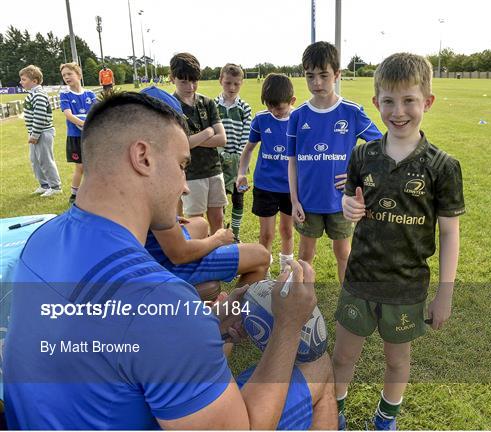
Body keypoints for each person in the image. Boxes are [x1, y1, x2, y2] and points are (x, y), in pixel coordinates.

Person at [4, 92, 336, 429]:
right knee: (318, 368)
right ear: (143, 157)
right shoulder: (158, 300)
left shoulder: (40, 241)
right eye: (181, 166)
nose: (185, 187)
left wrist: (207, 322)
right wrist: (289, 325)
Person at [332, 53, 465, 430]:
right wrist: (347, 206)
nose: (398, 111)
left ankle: (385, 418)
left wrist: (445, 293)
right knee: (343, 356)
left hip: (407, 284)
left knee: (396, 361)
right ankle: (335, 411)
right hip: (360, 278)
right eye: (389, 101)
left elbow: (449, 231)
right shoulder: (362, 154)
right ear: (376, 102)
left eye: (409, 100)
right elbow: (351, 204)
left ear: (427, 102)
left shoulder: (442, 166)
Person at [140, 86, 270, 301]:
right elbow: (178, 254)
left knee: (199, 224)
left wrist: (167, 221)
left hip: (148, 253)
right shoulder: (156, 178)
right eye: (180, 164)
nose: (185, 188)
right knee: (261, 256)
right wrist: (218, 239)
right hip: (166, 265)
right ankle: (228, 316)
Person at [286, 41, 382, 283]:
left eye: (324, 75)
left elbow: (381, 146)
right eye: (310, 76)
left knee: (343, 252)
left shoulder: (351, 111)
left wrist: (357, 175)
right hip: (307, 202)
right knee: (305, 254)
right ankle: (302, 302)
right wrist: (294, 199)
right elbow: (293, 161)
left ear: (337, 75)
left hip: (341, 201)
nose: (317, 83)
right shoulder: (297, 115)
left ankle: (347, 303)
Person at [237, 73, 296, 275]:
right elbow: (248, 150)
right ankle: (264, 272)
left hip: (291, 187)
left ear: (292, 101)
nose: (274, 111)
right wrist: (241, 174)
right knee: (266, 234)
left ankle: (286, 271)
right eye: (270, 106)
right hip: (265, 186)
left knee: (287, 231)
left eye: (279, 107)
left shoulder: (299, 119)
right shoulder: (261, 119)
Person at [170, 52, 227, 233]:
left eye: (194, 81)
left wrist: (193, 140)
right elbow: (181, 145)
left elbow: (222, 139)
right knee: (196, 224)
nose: (190, 86)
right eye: (184, 81)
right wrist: (208, 132)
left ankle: (218, 256)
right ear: (172, 78)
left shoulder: (207, 103)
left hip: (214, 169)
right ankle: (200, 258)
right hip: (191, 173)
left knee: (218, 219)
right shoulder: (171, 106)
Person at [214, 63, 252, 242]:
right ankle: (221, 233)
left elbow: (246, 137)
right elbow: (213, 132)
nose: (232, 87)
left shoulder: (244, 108)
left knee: (238, 198)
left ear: (241, 83)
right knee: (219, 200)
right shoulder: (213, 105)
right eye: (228, 83)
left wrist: (238, 156)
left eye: (236, 84)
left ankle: (235, 234)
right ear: (221, 80)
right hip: (218, 161)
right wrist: (221, 153)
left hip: (239, 161)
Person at [19, 65, 62, 197]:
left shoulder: (38, 95)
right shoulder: (32, 94)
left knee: (45, 160)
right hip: (36, 133)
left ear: (35, 81)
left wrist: (35, 135)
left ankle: (55, 186)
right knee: (35, 160)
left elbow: (40, 116)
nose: (21, 82)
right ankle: (44, 185)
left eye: (24, 79)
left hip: (42, 132)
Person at [59, 62, 97, 205]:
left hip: (90, 135)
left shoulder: (90, 94)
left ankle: (93, 192)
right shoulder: (65, 95)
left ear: (79, 75)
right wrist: (84, 123)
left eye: (69, 74)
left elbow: (96, 112)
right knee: (80, 167)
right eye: (64, 75)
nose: (66, 77)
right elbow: (68, 115)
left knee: (93, 165)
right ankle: (74, 194)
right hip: (75, 136)